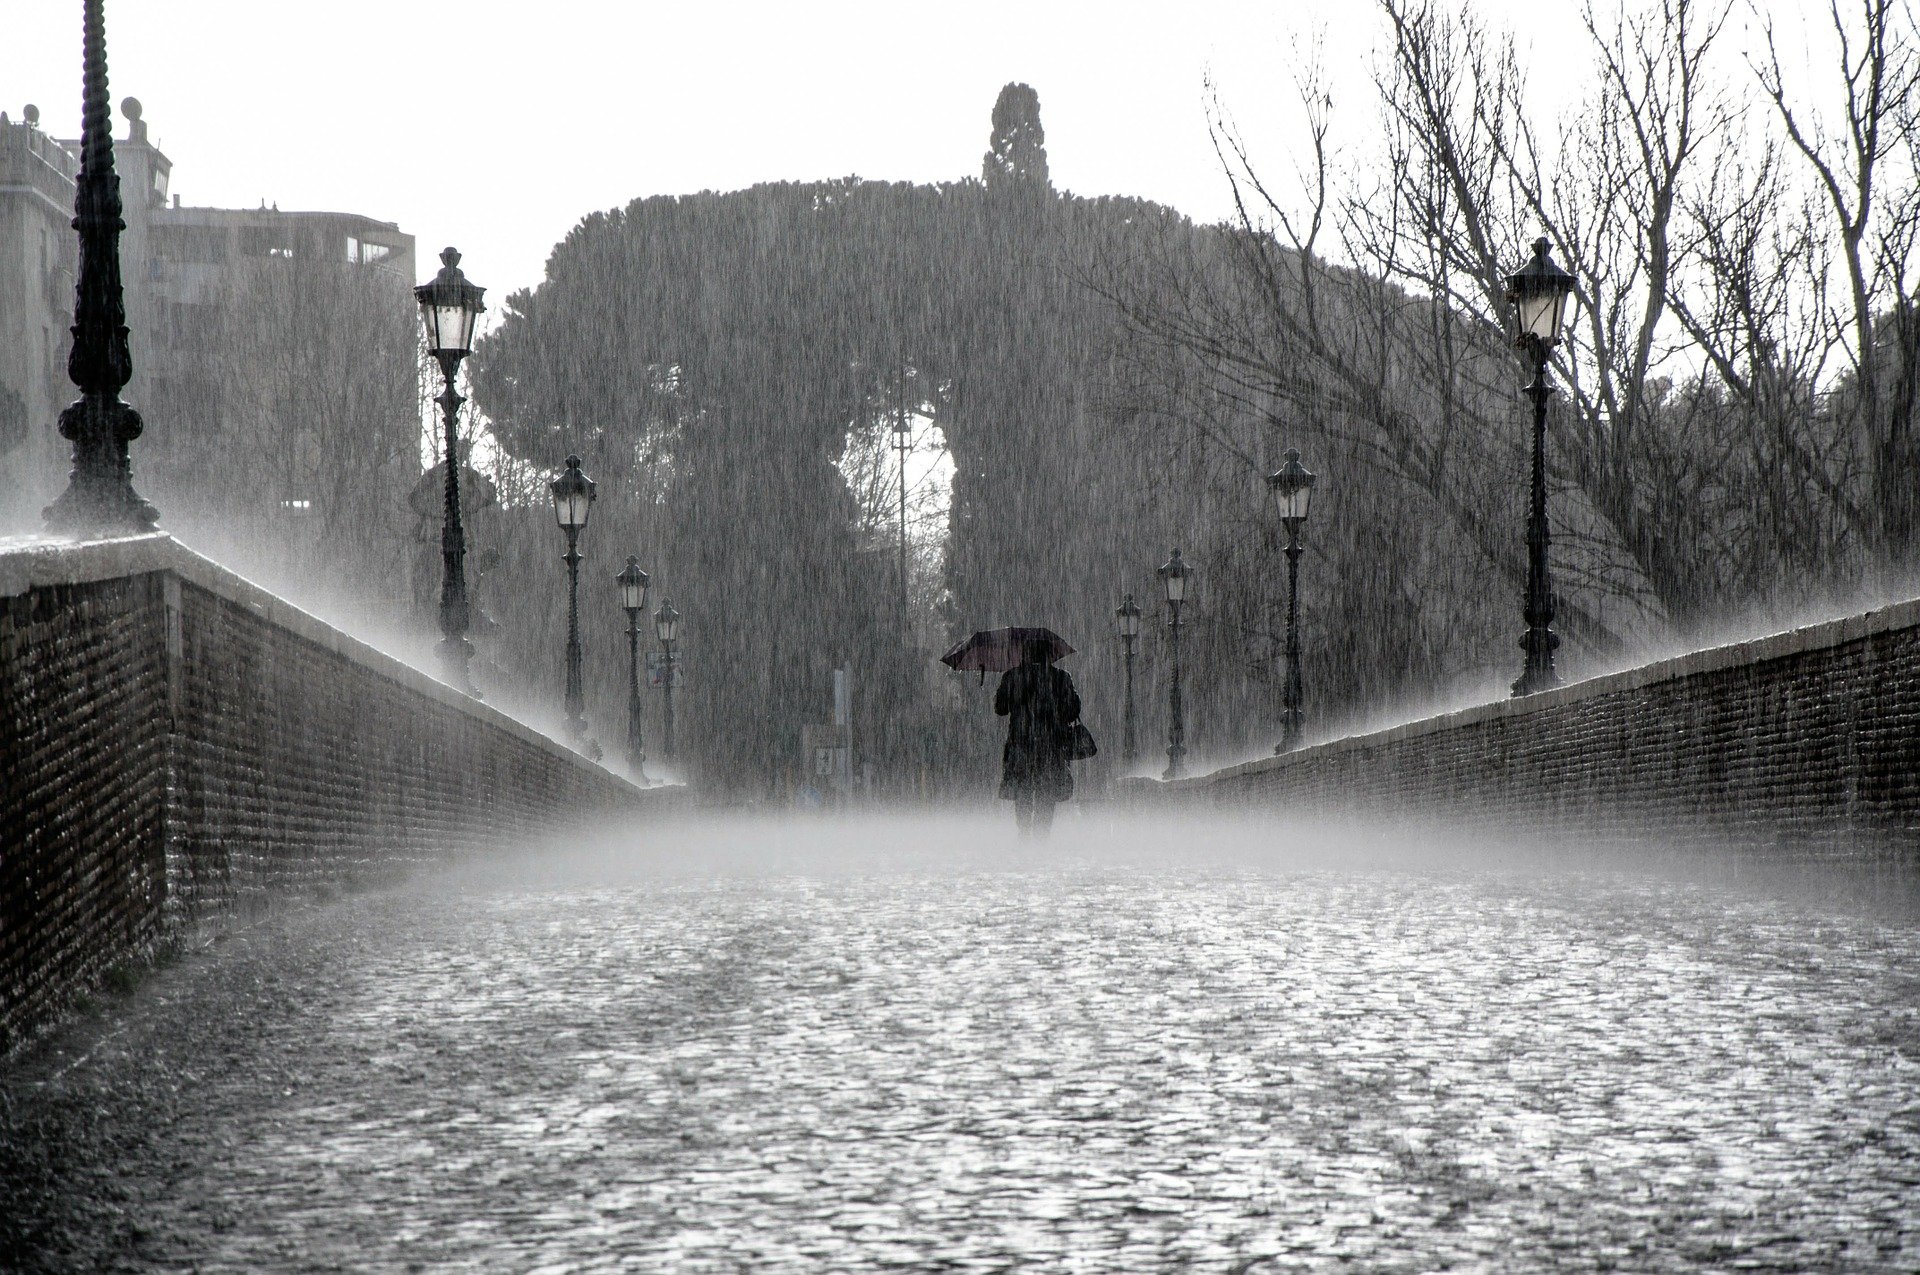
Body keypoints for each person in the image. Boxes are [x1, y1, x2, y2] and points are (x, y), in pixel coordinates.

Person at [994, 637, 1082, 837]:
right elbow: (1073, 711)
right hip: (1051, 746)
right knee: (1046, 793)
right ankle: (1042, 836)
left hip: (1021, 744)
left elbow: (1000, 709)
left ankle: (1024, 833)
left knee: (1022, 792)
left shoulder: (1013, 677)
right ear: (1049, 655)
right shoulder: (1060, 678)